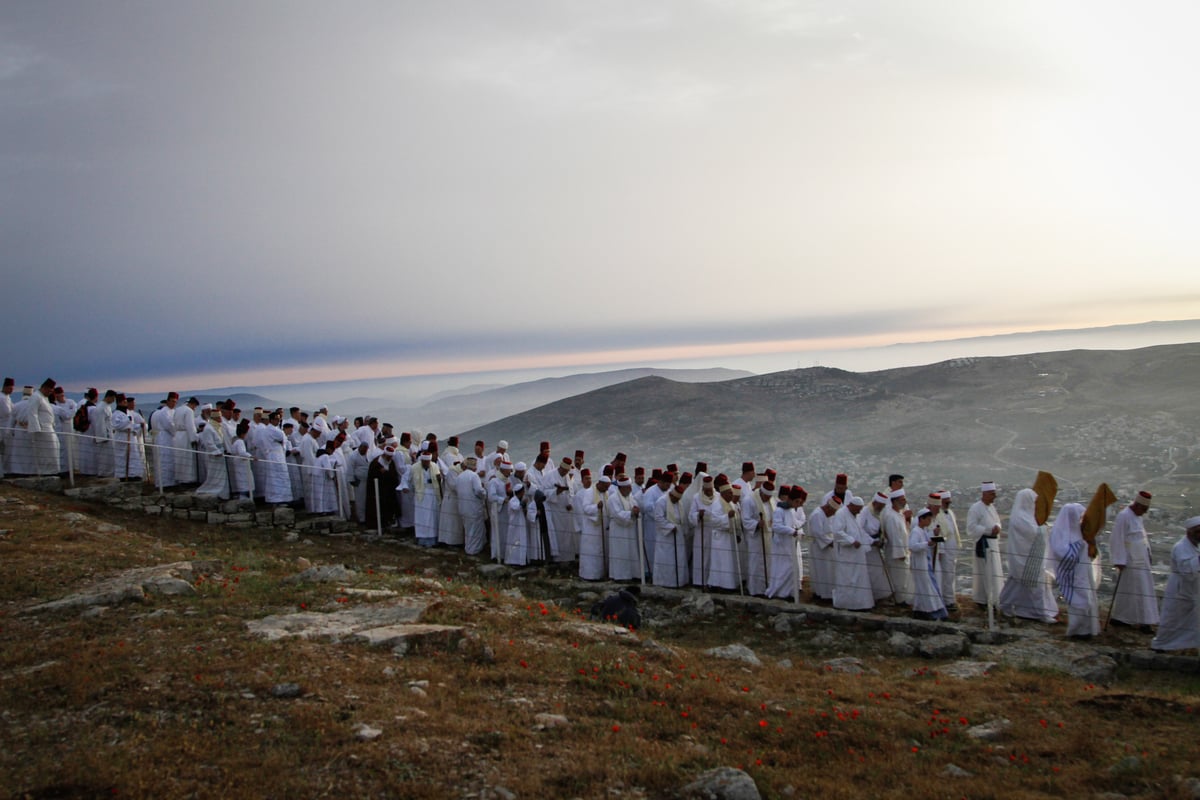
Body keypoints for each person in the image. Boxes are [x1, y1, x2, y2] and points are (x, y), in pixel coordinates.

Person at [998, 487, 1059, 623]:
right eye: (1034, 501)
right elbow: (1033, 533)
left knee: (1015, 585)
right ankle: (1041, 613)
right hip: (1026, 559)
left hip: (1026, 557)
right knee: (1036, 586)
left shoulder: (1026, 516)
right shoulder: (1020, 517)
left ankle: (1005, 605)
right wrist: (1044, 529)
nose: (1035, 504)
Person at [1108, 489, 1160, 632]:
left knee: (1142, 589)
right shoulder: (1124, 516)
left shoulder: (1138, 517)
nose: (1144, 512)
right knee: (1134, 589)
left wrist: (1148, 553)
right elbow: (1116, 538)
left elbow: (1141, 537)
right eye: (1143, 509)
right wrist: (1119, 559)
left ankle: (1134, 619)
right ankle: (1132, 619)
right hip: (1130, 560)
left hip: (1141, 560)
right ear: (1137, 506)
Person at [1050, 503, 1101, 639]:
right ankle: (1076, 631)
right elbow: (1061, 553)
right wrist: (1081, 546)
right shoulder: (1059, 532)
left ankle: (1087, 630)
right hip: (1072, 574)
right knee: (1079, 602)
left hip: (1083, 572)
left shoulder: (1080, 531)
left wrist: (1090, 544)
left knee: (1088, 600)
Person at [1151, 516, 1200, 652]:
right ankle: (1161, 645)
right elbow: (1186, 569)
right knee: (1172, 619)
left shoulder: (1194, 547)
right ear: (1189, 532)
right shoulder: (1180, 547)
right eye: (1198, 531)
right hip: (1180, 588)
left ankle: (1185, 646)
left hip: (1192, 589)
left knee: (1190, 620)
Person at [832, 495, 874, 610]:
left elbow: (860, 531)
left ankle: (861, 604)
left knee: (859, 580)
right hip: (847, 555)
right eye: (858, 509)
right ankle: (845, 604)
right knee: (847, 579)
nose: (859, 511)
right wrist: (852, 541)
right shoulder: (841, 514)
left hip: (857, 555)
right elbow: (837, 532)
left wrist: (871, 541)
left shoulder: (855, 515)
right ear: (851, 506)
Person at [967, 481, 1004, 610]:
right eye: (992, 494)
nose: (994, 496)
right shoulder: (976, 508)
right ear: (984, 493)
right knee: (985, 572)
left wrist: (997, 527)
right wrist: (988, 530)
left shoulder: (991, 507)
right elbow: (971, 527)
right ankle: (986, 599)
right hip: (984, 543)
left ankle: (994, 598)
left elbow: (998, 522)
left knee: (994, 572)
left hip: (993, 543)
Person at [909, 508, 948, 620]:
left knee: (924, 587)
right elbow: (912, 546)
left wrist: (933, 537)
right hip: (920, 563)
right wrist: (927, 544)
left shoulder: (923, 531)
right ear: (922, 519)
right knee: (925, 587)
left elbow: (927, 541)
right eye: (928, 519)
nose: (930, 521)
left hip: (925, 562)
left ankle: (920, 609)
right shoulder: (916, 531)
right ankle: (930, 611)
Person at [652, 481, 690, 588]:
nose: (676, 501)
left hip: (678, 534)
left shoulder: (678, 502)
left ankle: (679, 582)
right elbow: (658, 518)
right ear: (671, 495)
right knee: (666, 559)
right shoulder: (662, 502)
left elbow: (682, 518)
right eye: (675, 499)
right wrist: (669, 527)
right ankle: (665, 582)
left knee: (679, 558)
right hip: (666, 536)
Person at [881, 489, 913, 605]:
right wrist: (900, 553)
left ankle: (902, 598)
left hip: (904, 551)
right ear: (894, 502)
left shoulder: (899, 514)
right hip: (897, 553)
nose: (905, 502)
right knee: (898, 577)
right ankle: (899, 600)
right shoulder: (891, 516)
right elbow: (894, 536)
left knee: (903, 576)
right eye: (902, 500)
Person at [579, 473, 612, 581]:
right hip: (591, 528)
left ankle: (601, 574)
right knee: (591, 553)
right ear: (600, 484)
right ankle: (589, 575)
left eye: (608, 487)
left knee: (602, 551)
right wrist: (596, 507)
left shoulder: (605, 493)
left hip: (603, 528)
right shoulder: (589, 492)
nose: (607, 489)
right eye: (605, 486)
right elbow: (585, 508)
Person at [404, 451, 442, 547]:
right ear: (422, 460)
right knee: (422, 517)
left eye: (428, 461)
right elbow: (407, 479)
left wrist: (439, 479)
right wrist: (406, 487)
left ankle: (434, 538)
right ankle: (422, 538)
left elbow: (439, 479)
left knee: (433, 517)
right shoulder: (414, 468)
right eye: (425, 461)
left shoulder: (434, 466)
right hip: (421, 496)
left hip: (433, 494)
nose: (427, 463)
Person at [366, 447, 401, 531]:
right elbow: (372, 477)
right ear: (384, 455)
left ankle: (388, 522)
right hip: (378, 490)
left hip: (389, 490)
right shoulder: (375, 463)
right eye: (388, 457)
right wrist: (380, 473)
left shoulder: (391, 462)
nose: (390, 459)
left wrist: (386, 473)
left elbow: (393, 476)